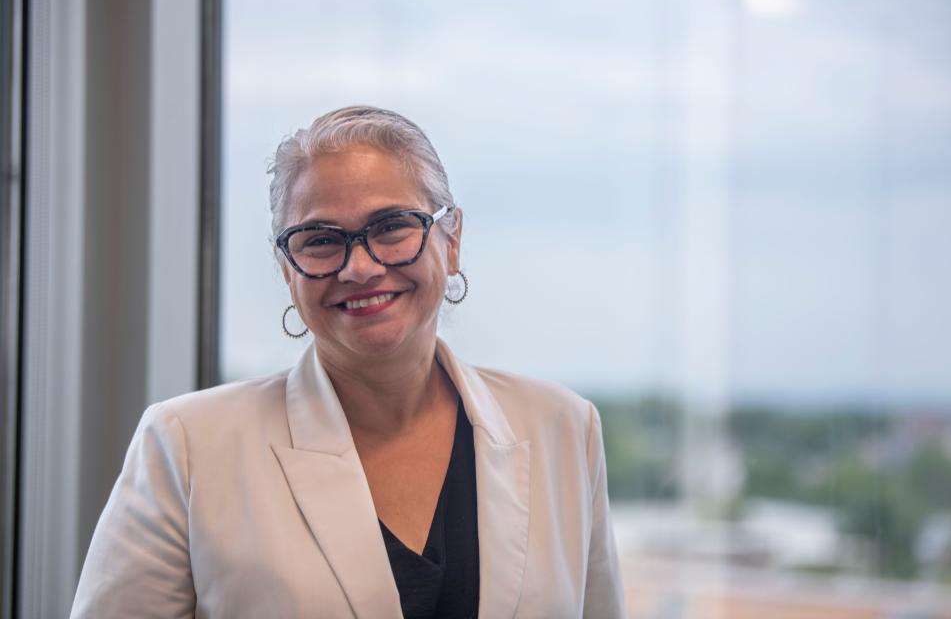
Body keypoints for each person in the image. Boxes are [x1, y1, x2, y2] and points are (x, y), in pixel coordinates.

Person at [71, 106, 625, 618]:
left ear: (451, 238)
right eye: (319, 240)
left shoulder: (563, 428)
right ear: (287, 270)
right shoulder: (186, 446)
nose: (359, 267)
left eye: (391, 227)